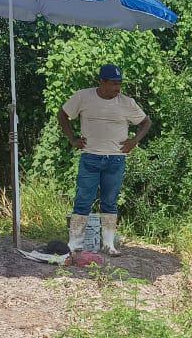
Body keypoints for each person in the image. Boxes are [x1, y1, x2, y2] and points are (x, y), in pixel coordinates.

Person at [57, 64, 152, 257]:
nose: (117, 88)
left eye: (119, 84)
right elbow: (63, 114)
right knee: (83, 200)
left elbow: (146, 122)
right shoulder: (83, 96)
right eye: (113, 83)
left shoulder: (127, 102)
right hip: (90, 156)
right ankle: (74, 243)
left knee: (110, 201)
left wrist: (134, 141)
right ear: (102, 82)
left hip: (115, 159)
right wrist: (72, 139)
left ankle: (109, 244)